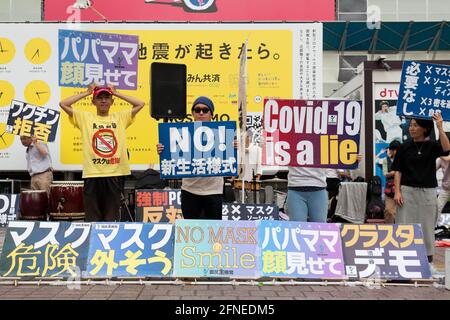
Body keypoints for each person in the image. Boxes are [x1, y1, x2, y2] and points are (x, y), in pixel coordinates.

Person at [59, 83, 145, 222]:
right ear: (93, 102)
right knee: (93, 217)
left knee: (111, 217)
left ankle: (108, 242)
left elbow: (140, 104)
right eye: (99, 98)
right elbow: (63, 104)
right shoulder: (85, 118)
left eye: (107, 97)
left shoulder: (120, 117)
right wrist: (87, 93)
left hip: (114, 174)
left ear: (112, 101)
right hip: (92, 173)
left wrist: (116, 93)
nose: (103, 101)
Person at [157, 96, 231, 219]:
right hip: (190, 190)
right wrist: (163, 150)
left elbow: (229, 159)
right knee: (191, 230)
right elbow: (172, 157)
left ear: (211, 114)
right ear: (192, 113)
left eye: (205, 110)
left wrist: (232, 146)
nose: (201, 113)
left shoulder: (222, 134)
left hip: (214, 190)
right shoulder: (183, 133)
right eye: (197, 110)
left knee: (213, 230)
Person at [392, 113, 450, 265]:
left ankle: (427, 257)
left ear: (425, 129)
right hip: (407, 191)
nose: (411, 128)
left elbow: (447, 148)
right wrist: (397, 191)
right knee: (404, 223)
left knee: (427, 225)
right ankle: (404, 255)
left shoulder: (432, 146)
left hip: (428, 192)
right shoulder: (404, 147)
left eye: (415, 125)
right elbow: (398, 170)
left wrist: (440, 127)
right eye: (410, 125)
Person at [233, 130, 263, 203]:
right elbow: (236, 164)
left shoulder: (257, 149)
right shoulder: (238, 149)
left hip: (252, 179)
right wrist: (233, 176)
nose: (243, 139)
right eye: (241, 137)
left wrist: (258, 176)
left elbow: (259, 164)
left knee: (253, 201)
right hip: (240, 179)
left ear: (250, 137)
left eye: (245, 137)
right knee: (240, 201)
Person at [382, 140, 401, 224]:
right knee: (389, 211)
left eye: (391, 149)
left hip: (402, 190)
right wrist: (397, 171)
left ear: (395, 150)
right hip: (390, 190)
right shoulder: (385, 160)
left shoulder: (404, 159)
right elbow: (385, 174)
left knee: (401, 213)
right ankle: (389, 231)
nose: (389, 151)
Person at [436, 155, 450, 221]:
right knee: (437, 208)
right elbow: (430, 170)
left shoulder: (442, 156)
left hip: (446, 188)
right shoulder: (441, 159)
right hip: (446, 188)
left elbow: (448, 158)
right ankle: (432, 228)